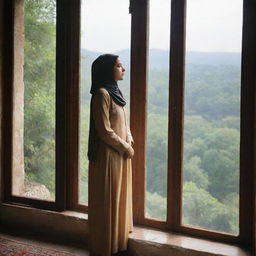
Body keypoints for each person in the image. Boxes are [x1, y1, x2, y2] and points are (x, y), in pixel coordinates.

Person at [87, 54, 134, 256]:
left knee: (119, 198)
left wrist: (129, 139)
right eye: (119, 66)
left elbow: (124, 121)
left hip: (120, 153)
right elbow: (104, 130)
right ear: (107, 69)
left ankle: (118, 246)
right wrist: (125, 147)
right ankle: (104, 249)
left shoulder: (115, 92)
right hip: (108, 155)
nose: (123, 69)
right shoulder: (101, 94)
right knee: (107, 202)